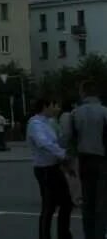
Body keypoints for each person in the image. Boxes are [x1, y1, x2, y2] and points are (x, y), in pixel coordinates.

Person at [28, 98, 73, 239]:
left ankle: (63, 234)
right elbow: (43, 143)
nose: (57, 108)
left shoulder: (49, 123)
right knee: (49, 207)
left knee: (66, 202)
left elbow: (57, 141)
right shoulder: (35, 124)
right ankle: (45, 236)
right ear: (45, 106)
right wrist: (63, 154)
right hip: (44, 169)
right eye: (55, 105)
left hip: (54, 167)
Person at [70, 80, 107, 239]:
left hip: (84, 160)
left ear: (83, 93)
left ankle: (89, 235)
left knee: (87, 201)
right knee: (102, 202)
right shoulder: (105, 112)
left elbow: (68, 138)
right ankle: (99, 235)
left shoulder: (75, 113)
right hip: (103, 160)